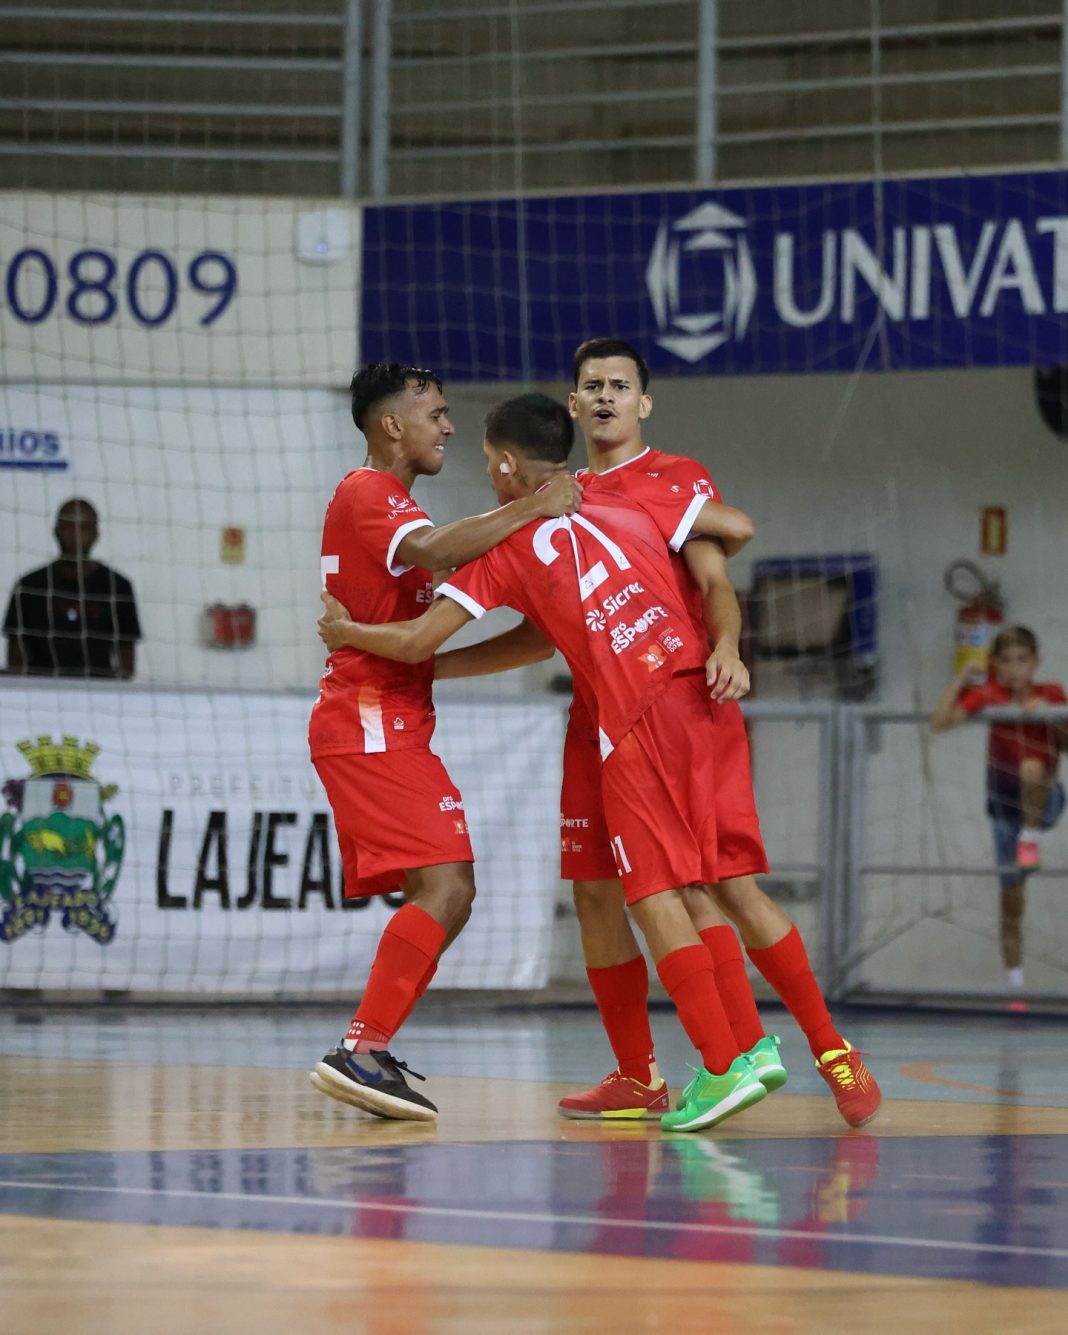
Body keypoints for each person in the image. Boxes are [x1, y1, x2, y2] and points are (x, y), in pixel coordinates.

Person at [436, 339, 881, 1130]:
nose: (606, 395)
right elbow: (544, 633)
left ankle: (823, 1049)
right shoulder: (557, 495)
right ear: (573, 405)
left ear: (643, 402)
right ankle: (639, 1075)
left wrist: (728, 646)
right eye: (592, 385)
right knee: (596, 892)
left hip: (673, 703)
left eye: (620, 384)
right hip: (596, 718)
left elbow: (717, 573)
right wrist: (439, 668)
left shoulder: (672, 481)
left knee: (715, 885)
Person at [320, 390, 778, 1133]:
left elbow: (417, 635)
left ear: (506, 464)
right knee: (635, 889)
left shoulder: (504, 545)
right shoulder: (624, 504)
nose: (465, 449)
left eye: (483, 458)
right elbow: (550, 633)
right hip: (690, 696)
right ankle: (649, 1073)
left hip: (635, 716)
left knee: (657, 892)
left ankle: (733, 1060)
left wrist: (348, 634)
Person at [308, 362, 581, 1123]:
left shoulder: (394, 505)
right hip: (369, 721)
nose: (450, 427)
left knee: (444, 892)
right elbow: (434, 549)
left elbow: (512, 629)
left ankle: (367, 1047)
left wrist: (436, 662)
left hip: (386, 719)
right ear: (392, 424)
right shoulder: (369, 491)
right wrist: (536, 504)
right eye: (436, 413)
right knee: (449, 887)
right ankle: (362, 1048)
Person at [930, 625, 1067, 993]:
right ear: (995, 664)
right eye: (1006, 661)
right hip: (1004, 809)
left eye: (1022, 660)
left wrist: (1051, 715)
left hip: (1044, 801)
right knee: (1011, 903)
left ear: (1036, 662)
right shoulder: (991, 695)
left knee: (1032, 768)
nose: (1015, 668)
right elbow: (939, 723)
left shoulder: (1051, 693)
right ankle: (1015, 988)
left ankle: (1031, 840)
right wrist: (962, 678)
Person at [3, 497, 141, 679]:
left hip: (99, 691)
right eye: (69, 526)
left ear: (96, 534)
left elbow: (126, 657)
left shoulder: (118, 587)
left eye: (84, 527)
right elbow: (15, 651)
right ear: (56, 531)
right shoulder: (29, 585)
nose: (75, 535)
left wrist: (113, 688)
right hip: (40, 690)